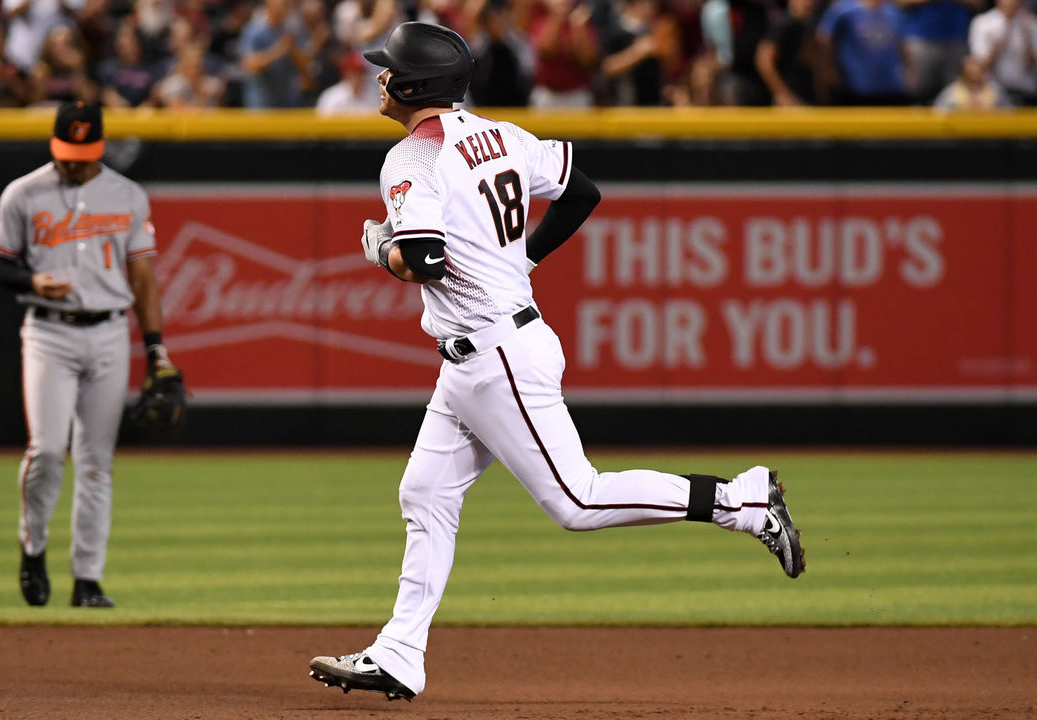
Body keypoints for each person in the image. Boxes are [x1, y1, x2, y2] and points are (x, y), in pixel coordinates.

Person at [307, 21, 805, 702]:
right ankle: (399, 654)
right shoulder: (502, 136)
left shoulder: (411, 161)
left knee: (577, 500)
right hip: (481, 355)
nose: (378, 78)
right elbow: (582, 192)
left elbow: (422, 259)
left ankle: (741, 500)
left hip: (496, 356)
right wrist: (525, 260)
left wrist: (381, 248)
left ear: (414, 86)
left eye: (387, 70)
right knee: (425, 493)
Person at [0, 102, 182, 608]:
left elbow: (143, 277)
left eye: (84, 156)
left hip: (110, 333)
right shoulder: (24, 194)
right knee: (47, 450)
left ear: (100, 148)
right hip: (49, 334)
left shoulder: (127, 195)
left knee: (97, 461)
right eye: (67, 155)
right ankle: (33, 548)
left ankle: (88, 580)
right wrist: (31, 280)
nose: (74, 164)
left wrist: (156, 346)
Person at [817, 0, 909, 105]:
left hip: (890, 87)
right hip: (853, 87)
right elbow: (824, 38)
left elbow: (901, 44)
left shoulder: (894, 12)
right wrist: (827, 69)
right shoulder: (843, 10)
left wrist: (907, 71)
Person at [969, 0, 1037, 105]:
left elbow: (1033, 64)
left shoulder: (1030, 22)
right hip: (994, 91)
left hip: (1026, 88)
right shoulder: (983, 22)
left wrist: (1026, 38)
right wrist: (1005, 32)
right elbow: (979, 67)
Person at [933, 53, 1013, 108]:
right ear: (964, 74)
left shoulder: (995, 92)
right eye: (971, 73)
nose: (975, 76)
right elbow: (938, 114)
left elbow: (1009, 114)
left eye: (978, 72)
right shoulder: (951, 93)